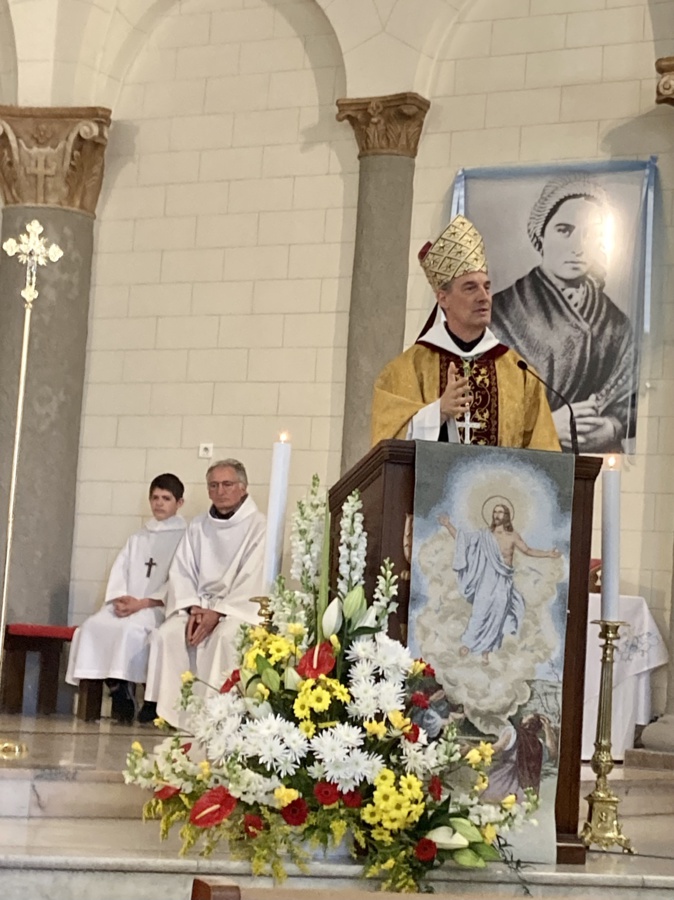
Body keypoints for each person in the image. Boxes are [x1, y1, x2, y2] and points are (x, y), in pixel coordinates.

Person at [371, 215, 560, 451]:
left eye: (487, 286)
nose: (484, 296)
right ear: (443, 298)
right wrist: (438, 413)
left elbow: (545, 455)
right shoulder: (407, 371)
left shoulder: (519, 374)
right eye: (470, 287)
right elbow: (384, 444)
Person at [491, 174, 636, 452]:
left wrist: (611, 428)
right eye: (564, 230)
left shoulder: (616, 323)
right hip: (522, 465)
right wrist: (544, 426)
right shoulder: (502, 314)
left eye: (591, 234)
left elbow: (629, 401)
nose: (578, 247)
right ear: (541, 234)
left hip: (589, 467)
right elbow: (480, 406)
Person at [144, 459, 266, 727]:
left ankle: (218, 719)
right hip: (198, 607)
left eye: (227, 484)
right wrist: (193, 608)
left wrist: (218, 612)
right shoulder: (198, 526)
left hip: (235, 611)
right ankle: (176, 719)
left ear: (243, 488)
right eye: (213, 485)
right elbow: (182, 571)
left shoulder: (259, 526)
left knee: (226, 637)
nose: (220, 490)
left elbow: (253, 578)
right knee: (168, 635)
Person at [66, 473, 187, 724]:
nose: (159, 503)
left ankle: (137, 693)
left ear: (180, 503)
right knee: (92, 627)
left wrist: (143, 602)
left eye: (166, 498)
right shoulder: (138, 537)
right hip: (129, 603)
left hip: (157, 607)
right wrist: (119, 598)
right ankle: (116, 686)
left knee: (132, 631)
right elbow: (120, 570)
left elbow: (179, 578)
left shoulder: (186, 537)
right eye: (155, 497)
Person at [438, 502, 560, 663]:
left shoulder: (513, 536)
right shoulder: (484, 535)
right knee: (480, 610)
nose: (497, 515)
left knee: (498, 612)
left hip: (503, 580)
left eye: (500, 512)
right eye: (495, 512)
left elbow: (528, 551)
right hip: (486, 579)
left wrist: (548, 554)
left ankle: (487, 650)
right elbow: (463, 539)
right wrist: (448, 525)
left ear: (507, 515)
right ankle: (468, 643)